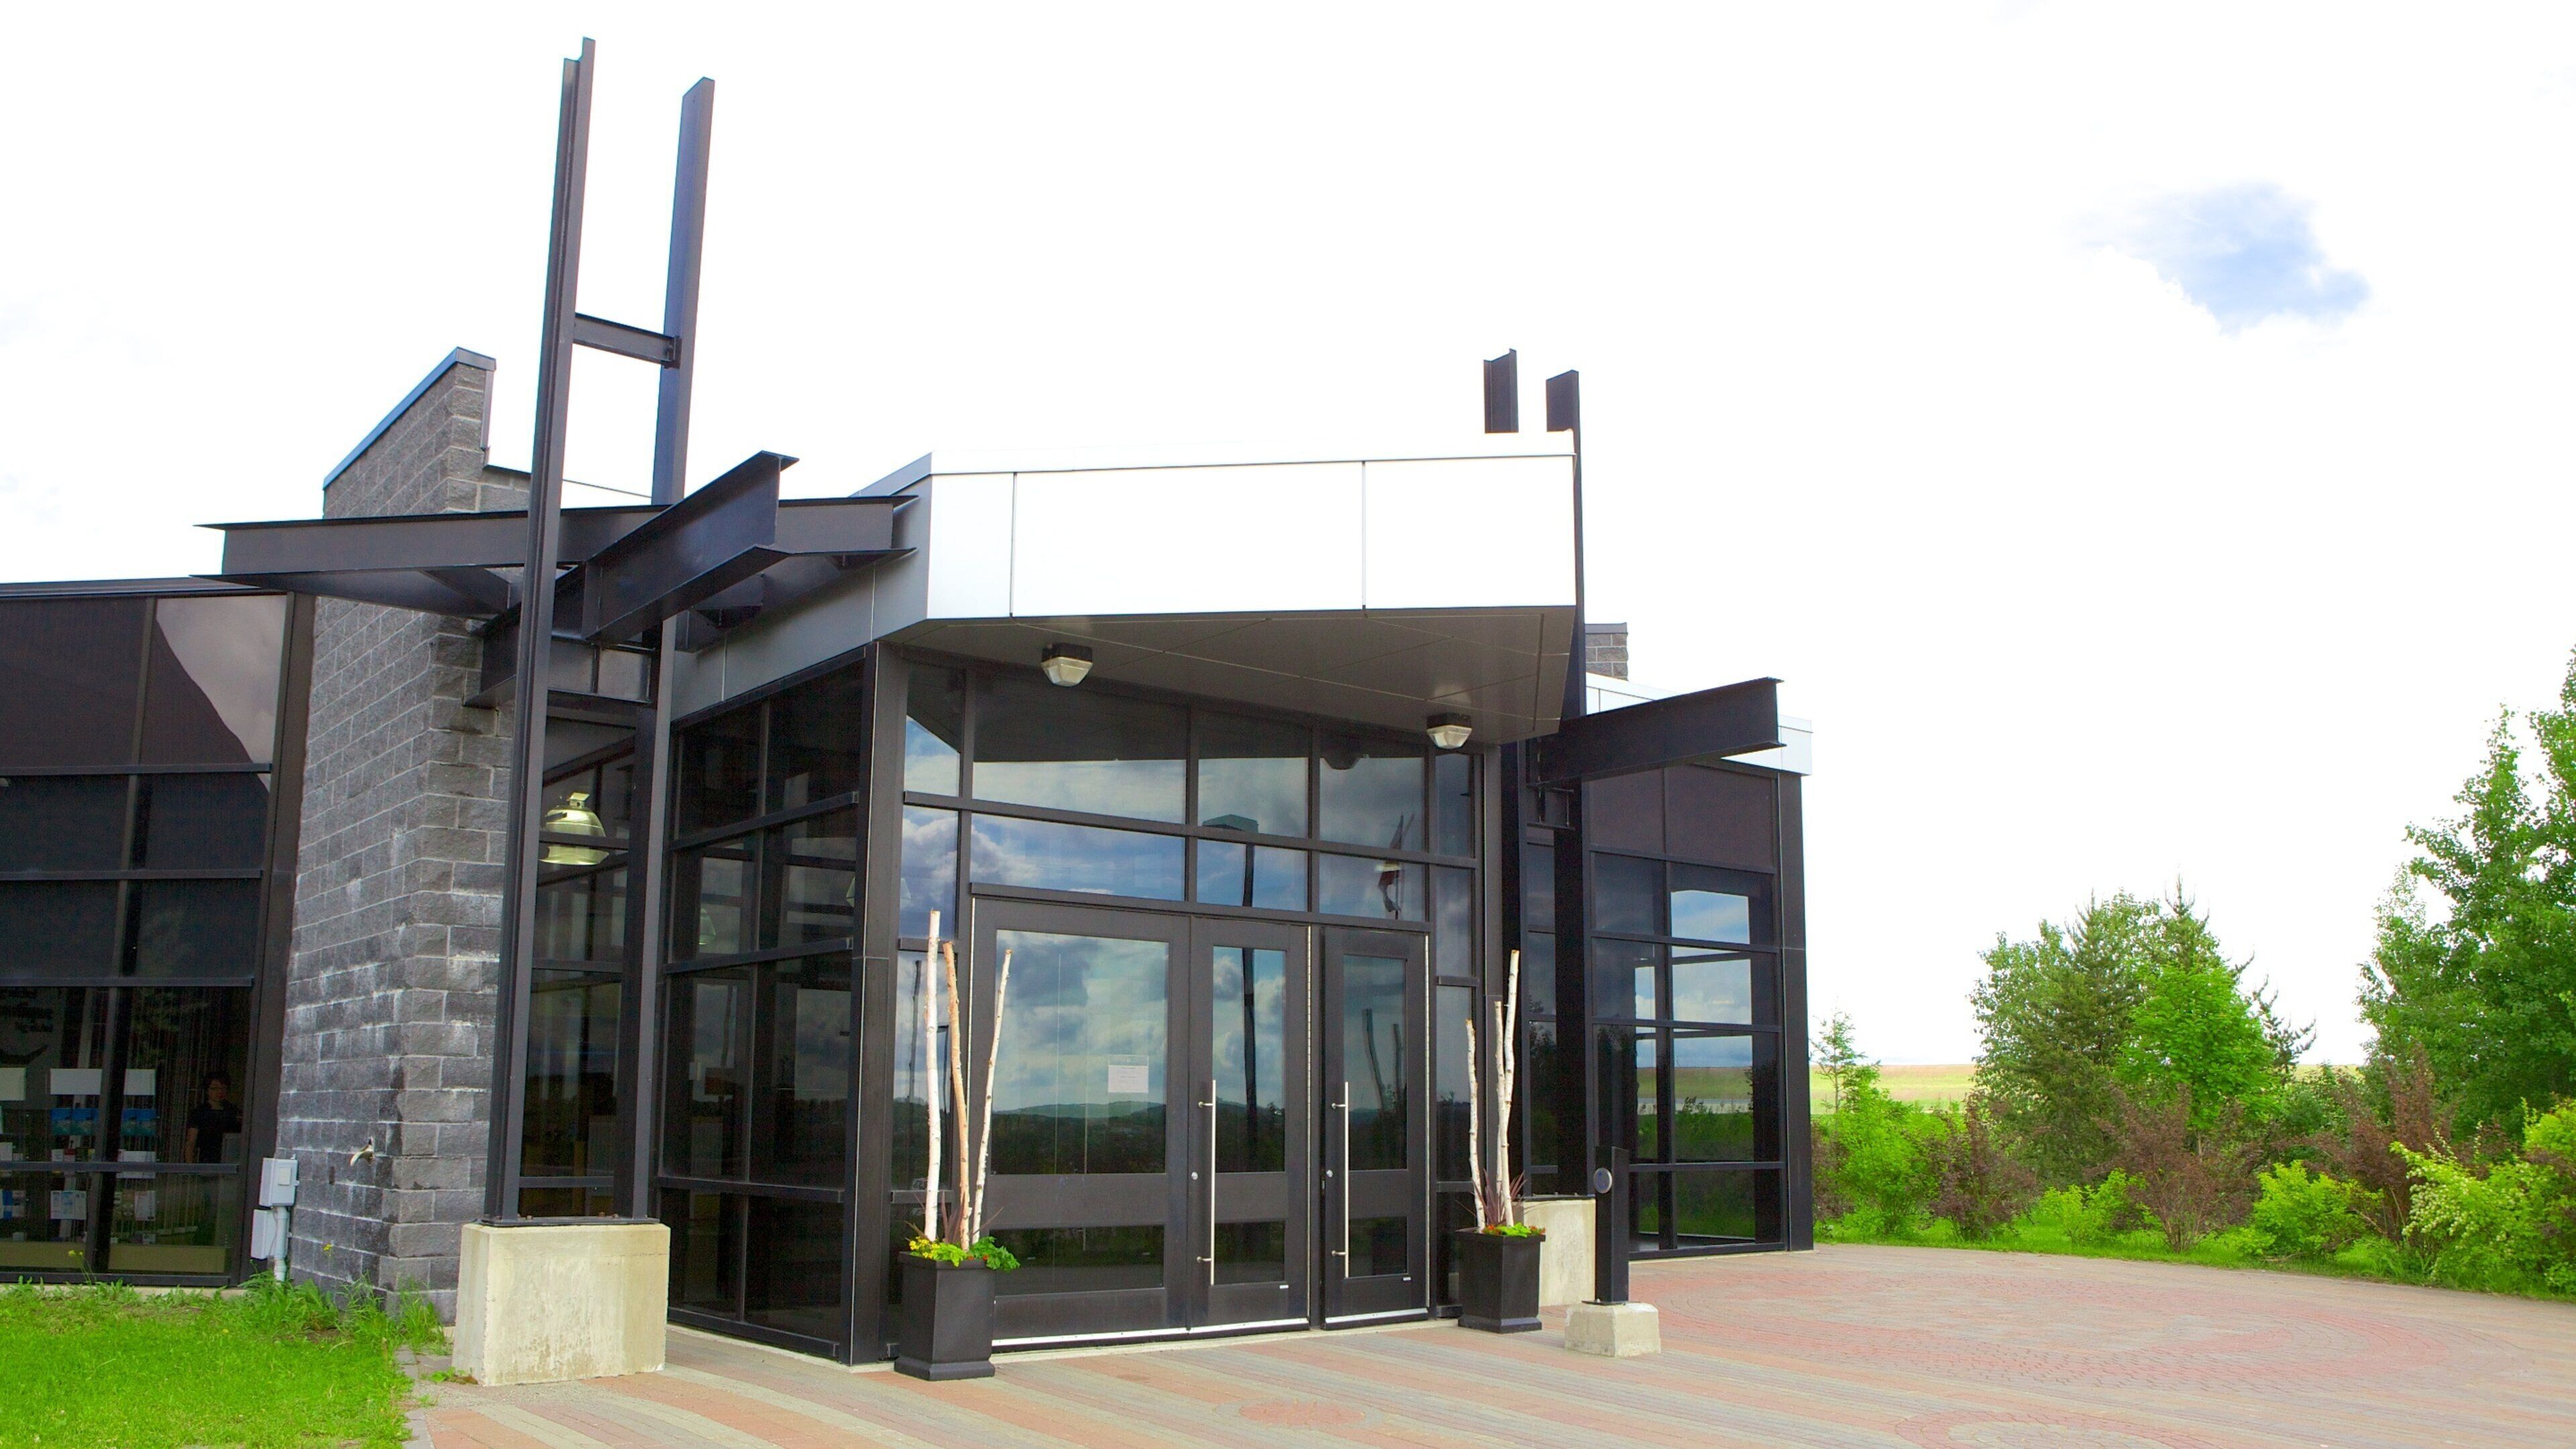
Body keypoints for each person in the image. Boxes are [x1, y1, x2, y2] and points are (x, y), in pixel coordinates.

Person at [184, 1075, 241, 1164]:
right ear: (207, 1090)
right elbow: (191, 1142)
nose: (220, 1092)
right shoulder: (199, 1112)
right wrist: (190, 1167)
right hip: (206, 1160)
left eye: (223, 1088)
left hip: (231, 1159)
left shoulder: (234, 1112)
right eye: (215, 1088)